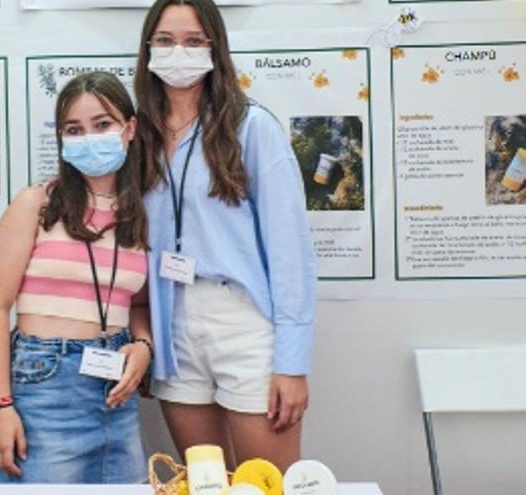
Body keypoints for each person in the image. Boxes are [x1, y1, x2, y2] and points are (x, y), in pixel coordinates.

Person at [134, 0, 317, 472]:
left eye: (194, 41)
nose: (180, 52)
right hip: (172, 321)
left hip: (242, 320)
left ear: (216, 48)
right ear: (148, 49)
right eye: (166, 41)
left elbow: (290, 251)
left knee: (265, 483)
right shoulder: (139, 138)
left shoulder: (250, 127)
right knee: (204, 481)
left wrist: (291, 364)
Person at [0, 71, 153, 483]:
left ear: (130, 129)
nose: (89, 137)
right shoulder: (36, 204)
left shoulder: (139, 213)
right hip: (46, 387)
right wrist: (0, 406)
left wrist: (143, 345)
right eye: (74, 129)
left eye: (103, 125)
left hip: (117, 393)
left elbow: (139, 301)